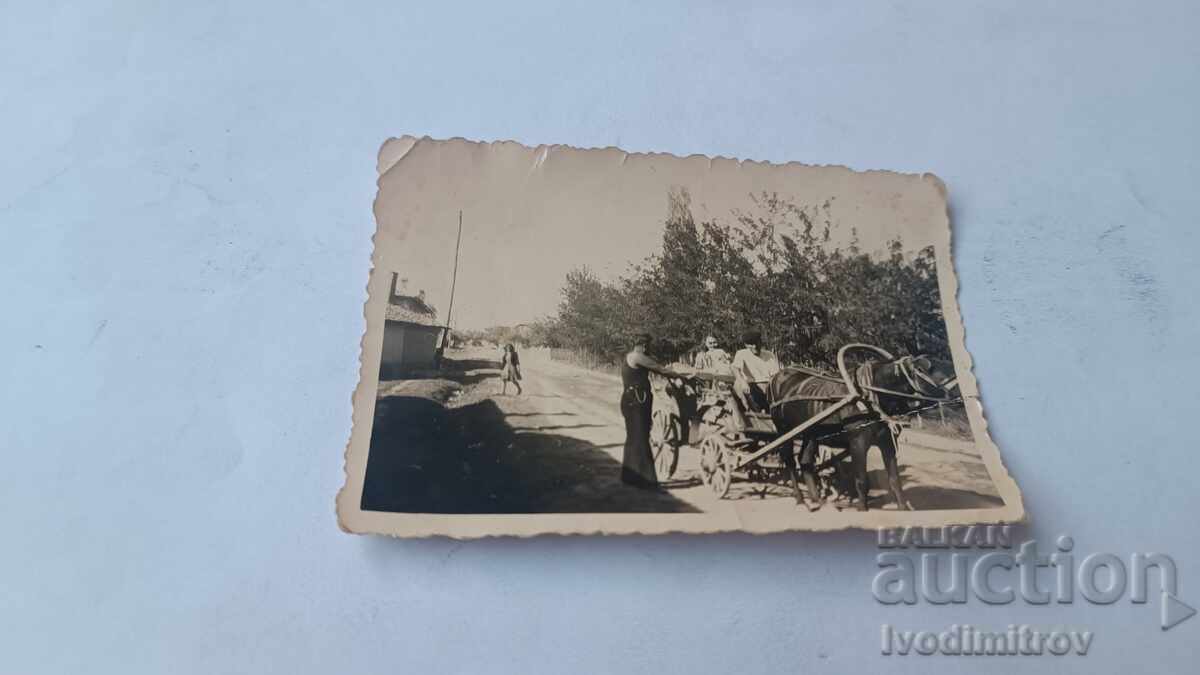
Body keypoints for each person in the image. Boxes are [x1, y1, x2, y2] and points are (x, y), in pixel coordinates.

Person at [621, 333, 690, 488]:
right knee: (640, 438)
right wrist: (679, 375)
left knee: (633, 438)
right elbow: (659, 369)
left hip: (630, 399)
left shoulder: (630, 356)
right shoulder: (638, 356)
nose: (649, 349)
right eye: (648, 346)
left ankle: (630, 477)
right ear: (644, 345)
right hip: (637, 400)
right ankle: (646, 480)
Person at [731, 330, 779, 412]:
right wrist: (743, 382)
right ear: (746, 345)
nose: (755, 346)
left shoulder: (769, 355)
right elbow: (735, 368)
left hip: (768, 386)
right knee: (741, 389)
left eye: (757, 343)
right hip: (751, 385)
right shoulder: (742, 354)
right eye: (751, 344)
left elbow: (775, 374)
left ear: (760, 342)